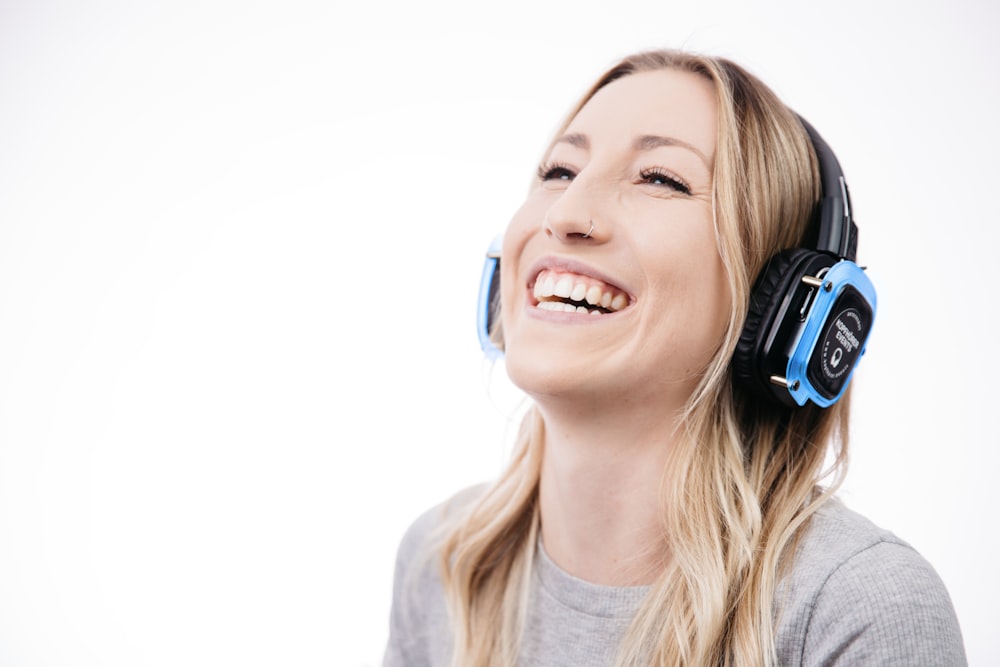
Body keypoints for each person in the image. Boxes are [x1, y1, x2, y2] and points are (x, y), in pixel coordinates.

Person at [382, 49, 966, 666]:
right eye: (559, 170)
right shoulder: (444, 564)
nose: (567, 212)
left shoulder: (857, 607)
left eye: (660, 178)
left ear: (785, 313)